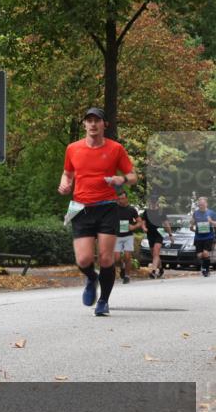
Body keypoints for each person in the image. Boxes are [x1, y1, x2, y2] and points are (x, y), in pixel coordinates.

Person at [58, 107, 137, 316]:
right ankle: (92, 278)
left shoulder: (115, 149)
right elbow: (67, 173)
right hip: (81, 208)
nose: (92, 124)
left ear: (104, 125)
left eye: (97, 121)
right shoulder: (72, 148)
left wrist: (122, 179)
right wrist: (65, 184)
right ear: (84, 124)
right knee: (83, 260)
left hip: (107, 208)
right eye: (89, 120)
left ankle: (103, 301)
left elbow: (133, 176)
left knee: (106, 258)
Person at [142, 195, 174, 279]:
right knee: (154, 254)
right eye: (152, 201)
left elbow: (166, 224)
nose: (153, 203)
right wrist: (144, 228)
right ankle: (161, 268)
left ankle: (153, 271)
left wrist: (170, 235)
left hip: (159, 234)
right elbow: (143, 222)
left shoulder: (161, 211)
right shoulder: (146, 212)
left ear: (157, 202)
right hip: (150, 234)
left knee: (156, 252)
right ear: (150, 201)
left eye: (154, 201)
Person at [113, 191, 140, 284]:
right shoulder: (115, 208)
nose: (121, 200)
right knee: (116, 259)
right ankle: (123, 266)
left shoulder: (132, 210)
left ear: (126, 198)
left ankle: (127, 276)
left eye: (123, 198)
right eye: (119, 199)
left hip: (128, 236)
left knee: (127, 256)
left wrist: (134, 227)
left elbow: (140, 222)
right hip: (117, 236)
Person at [189, 196, 215, 277]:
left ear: (206, 204)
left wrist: (211, 221)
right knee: (199, 255)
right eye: (200, 204)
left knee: (206, 253)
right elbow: (192, 225)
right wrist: (192, 225)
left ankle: (206, 270)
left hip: (208, 236)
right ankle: (204, 266)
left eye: (203, 204)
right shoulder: (195, 213)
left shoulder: (212, 213)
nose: (201, 206)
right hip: (198, 237)